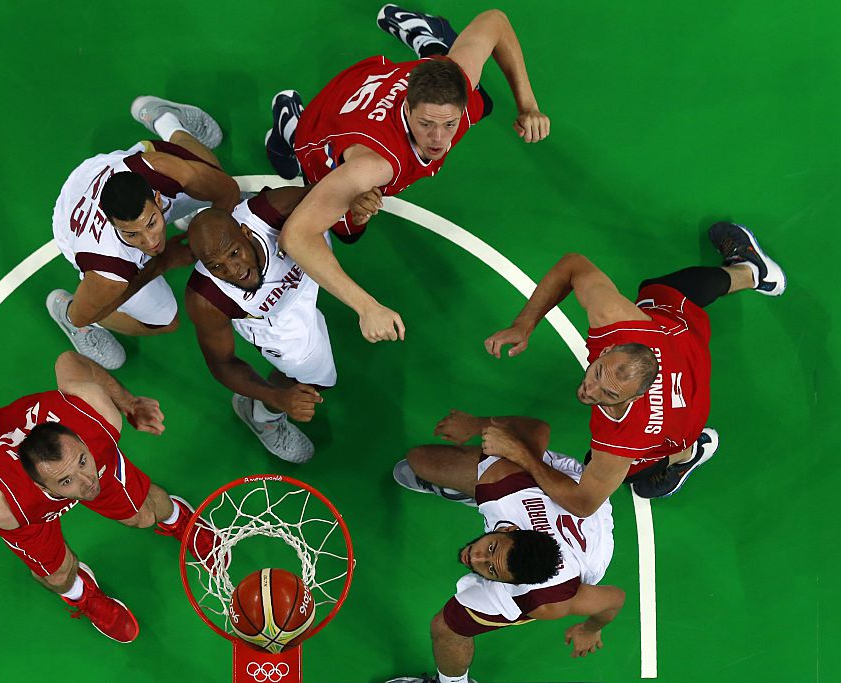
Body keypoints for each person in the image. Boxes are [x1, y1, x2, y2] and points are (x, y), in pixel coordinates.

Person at [265, 5, 550, 343]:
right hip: (332, 123)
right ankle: (291, 125)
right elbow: (296, 236)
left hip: (379, 87)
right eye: (426, 124)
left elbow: (495, 21)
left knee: (482, 101)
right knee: (348, 230)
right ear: (408, 108)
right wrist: (367, 307)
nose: (439, 140)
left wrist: (528, 106)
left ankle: (423, 36)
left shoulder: (456, 79)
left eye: (449, 124)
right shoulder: (375, 166)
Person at [482, 222, 787, 509]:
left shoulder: (622, 438)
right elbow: (573, 265)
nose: (591, 389)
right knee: (657, 292)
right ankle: (750, 271)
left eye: (609, 394)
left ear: (636, 397)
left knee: (608, 468)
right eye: (599, 373)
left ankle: (690, 452)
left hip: (684, 422)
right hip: (685, 346)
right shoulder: (618, 322)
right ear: (611, 347)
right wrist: (523, 325)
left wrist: (518, 452)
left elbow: (583, 502)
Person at [0, 351, 219, 643]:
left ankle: (178, 518)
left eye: (81, 462)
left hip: (83, 450)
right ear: (44, 487)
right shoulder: (3, 502)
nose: (88, 482)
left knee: (144, 514)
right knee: (57, 574)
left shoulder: (99, 419)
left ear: (80, 442)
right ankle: (81, 594)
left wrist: (129, 403)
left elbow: (69, 360)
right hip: (27, 508)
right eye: (66, 480)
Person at [387, 412, 624, 683]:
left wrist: (590, 630)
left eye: (489, 569)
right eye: (490, 549)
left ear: (510, 583)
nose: (473, 557)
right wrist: (478, 425)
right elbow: (538, 426)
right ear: (509, 529)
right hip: (569, 488)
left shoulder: (545, 600)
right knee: (420, 460)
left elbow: (612, 599)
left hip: (586, 552)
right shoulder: (503, 484)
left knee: (446, 627)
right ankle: (473, 492)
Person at [48, 96, 240, 369]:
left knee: (210, 171)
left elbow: (227, 190)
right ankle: (63, 311)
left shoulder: (158, 169)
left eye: (151, 224)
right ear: (115, 226)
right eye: (132, 234)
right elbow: (86, 313)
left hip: (104, 171)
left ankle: (165, 119)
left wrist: (210, 229)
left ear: (158, 199)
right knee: (165, 321)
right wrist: (162, 263)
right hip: (73, 219)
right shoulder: (110, 269)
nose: (150, 242)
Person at [183, 186, 335, 464]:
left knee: (324, 216)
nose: (233, 271)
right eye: (216, 266)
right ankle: (262, 416)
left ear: (246, 232)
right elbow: (222, 363)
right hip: (275, 320)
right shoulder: (207, 299)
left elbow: (335, 192)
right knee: (314, 381)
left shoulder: (274, 209)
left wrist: (358, 207)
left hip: (304, 262)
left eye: (234, 253)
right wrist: (278, 398)